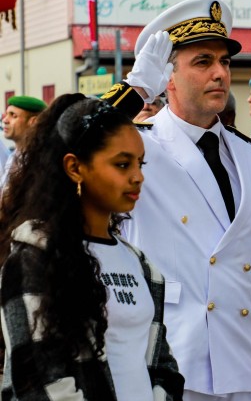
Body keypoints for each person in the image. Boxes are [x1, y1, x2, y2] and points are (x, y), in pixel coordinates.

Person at [101, 0, 251, 401]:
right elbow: (66, 144)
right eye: (203, 62)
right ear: (167, 76)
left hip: (244, 361)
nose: (220, 73)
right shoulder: (137, 149)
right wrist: (135, 90)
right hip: (170, 363)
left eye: (225, 62)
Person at [0, 94, 184, 400]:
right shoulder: (35, 257)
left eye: (140, 163)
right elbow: (39, 382)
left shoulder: (140, 263)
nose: (137, 177)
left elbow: (161, 363)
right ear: (75, 168)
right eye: (122, 164)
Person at [0, 95, 47, 186]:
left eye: (13, 115)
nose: (5, 120)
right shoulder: (13, 157)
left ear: (33, 122)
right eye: (6, 115)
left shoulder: (40, 161)